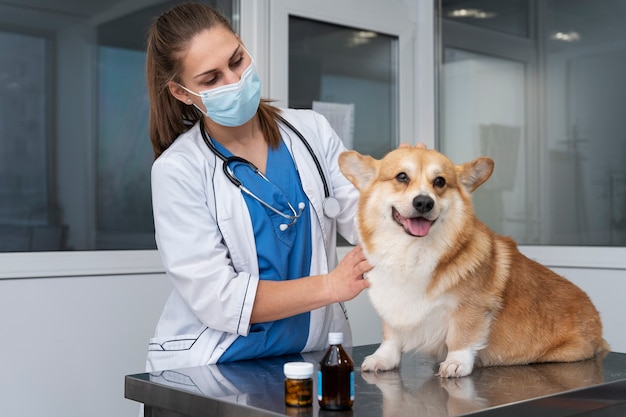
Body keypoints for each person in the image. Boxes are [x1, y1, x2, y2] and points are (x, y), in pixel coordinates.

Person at [144, 2, 373, 371]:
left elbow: (365, 220)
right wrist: (330, 287)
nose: (234, 81)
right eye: (211, 79)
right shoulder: (179, 169)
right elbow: (218, 297)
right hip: (217, 365)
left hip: (308, 358)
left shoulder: (311, 131)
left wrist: (408, 193)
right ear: (182, 92)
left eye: (236, 60)